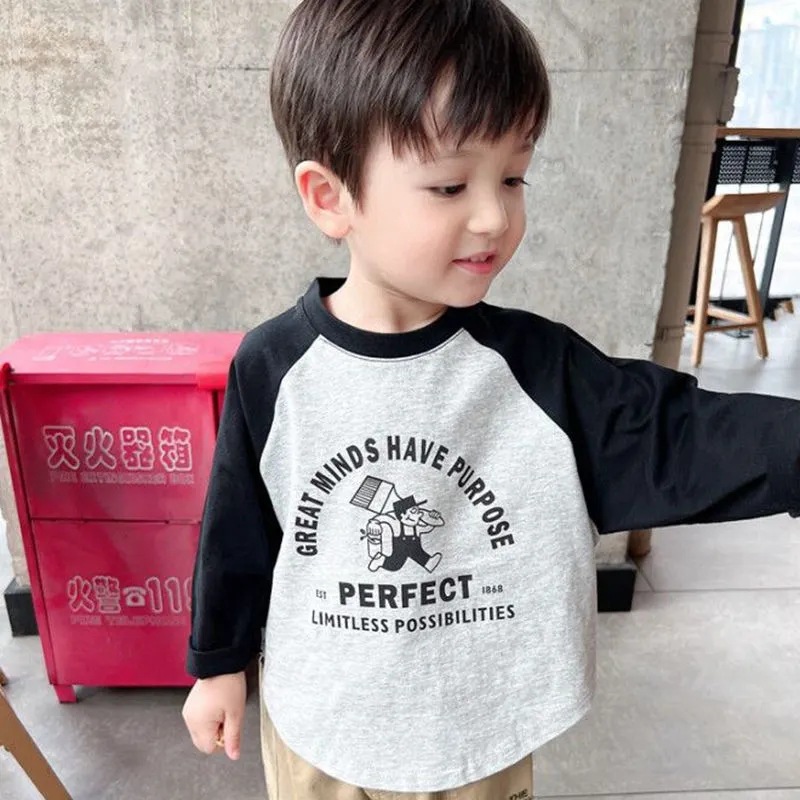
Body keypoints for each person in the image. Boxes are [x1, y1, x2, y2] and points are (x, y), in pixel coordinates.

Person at [181, 1, 800, 798]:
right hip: (326, 731)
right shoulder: (274, 368)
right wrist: (218, 664)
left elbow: (680, 436)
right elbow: (237, 531)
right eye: (450, 184)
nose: (494, 215)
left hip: (479, 734)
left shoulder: (536, 371)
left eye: (512, 176)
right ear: (330, 196)